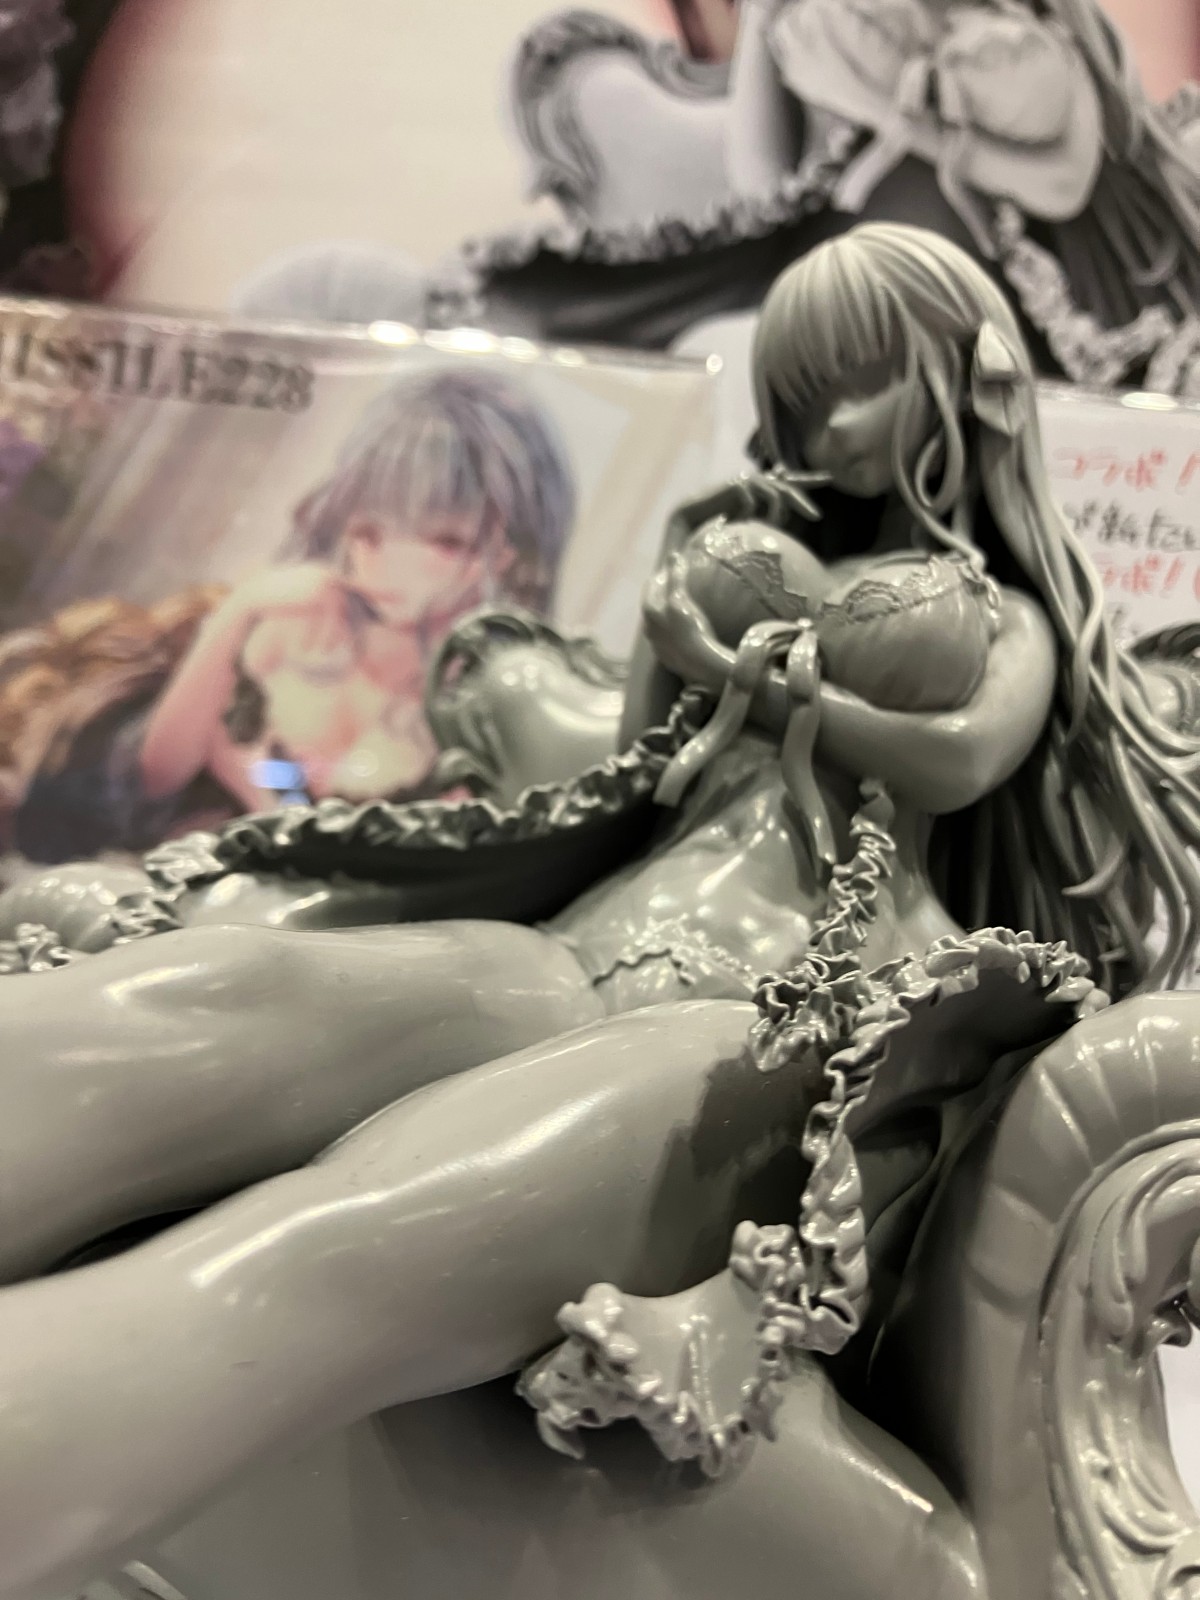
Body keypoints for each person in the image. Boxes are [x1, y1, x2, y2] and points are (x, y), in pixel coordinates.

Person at [0, 224, 1199, 1597]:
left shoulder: (1004, 614)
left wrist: (780, 680)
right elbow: (648, 762)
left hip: (789, 1019)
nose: (823, 427)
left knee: (364, 1226)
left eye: (860, 385)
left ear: (959, 377)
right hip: (604, 934)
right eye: (802, 393)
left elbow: (963, 754)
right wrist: (677, 643)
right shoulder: (743, 534)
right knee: (221, 999)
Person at [453, 0, 1200, 394]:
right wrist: (766, 25)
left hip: (977, 306)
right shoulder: (822, 25)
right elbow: (762, 181)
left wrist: (935, 132)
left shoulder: (1022, 47)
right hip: (840, 273)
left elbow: (1061, 182)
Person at [137, 367, 576, 811]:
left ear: (506, 552)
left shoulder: (487, 700)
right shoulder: (304, 616)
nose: (389, 568)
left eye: (445, 541)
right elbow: (159, 775)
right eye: (368, 532)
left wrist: (271, 802)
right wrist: (241, 609)